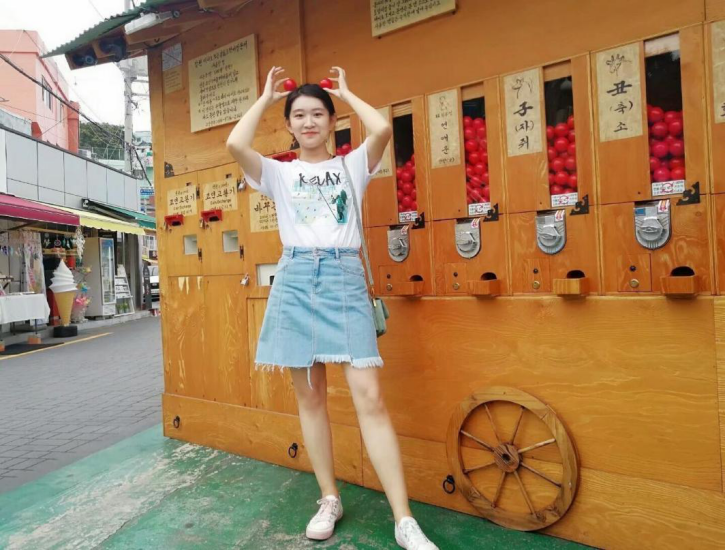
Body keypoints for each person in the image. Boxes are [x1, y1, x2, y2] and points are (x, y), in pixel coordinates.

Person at [226, 67, 438, 550]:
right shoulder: (278, 173)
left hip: (343, 277)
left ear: (331, 121)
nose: (308, 122)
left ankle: (403, 519)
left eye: (318, 114)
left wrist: (345, 92)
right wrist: (265, 98)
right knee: (311, 398)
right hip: (296, 278)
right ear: (288, 124)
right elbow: (236, 144)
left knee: (370, 397)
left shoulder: (352, 165)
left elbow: (381, 129)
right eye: (299, 115)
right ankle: (329, 497)